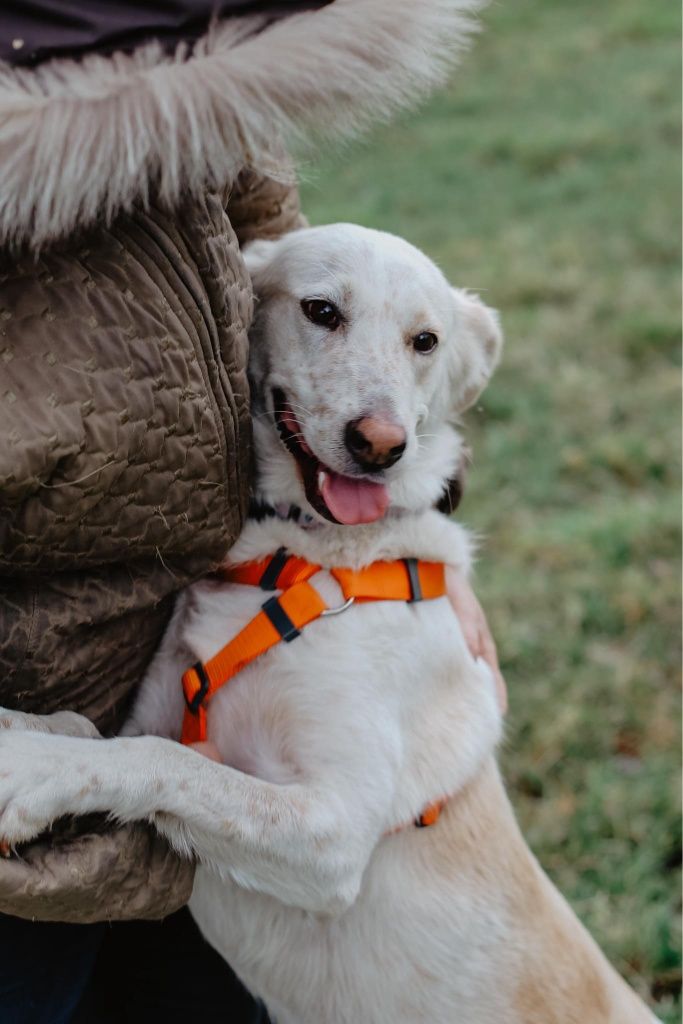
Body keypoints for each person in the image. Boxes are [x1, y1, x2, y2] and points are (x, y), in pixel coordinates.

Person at [0, 2, 503, 1020]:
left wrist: (415, 529)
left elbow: (276, 232)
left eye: (420, 348)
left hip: (182, 664)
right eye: (321, 317)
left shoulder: (194, 23)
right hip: (52, 697)